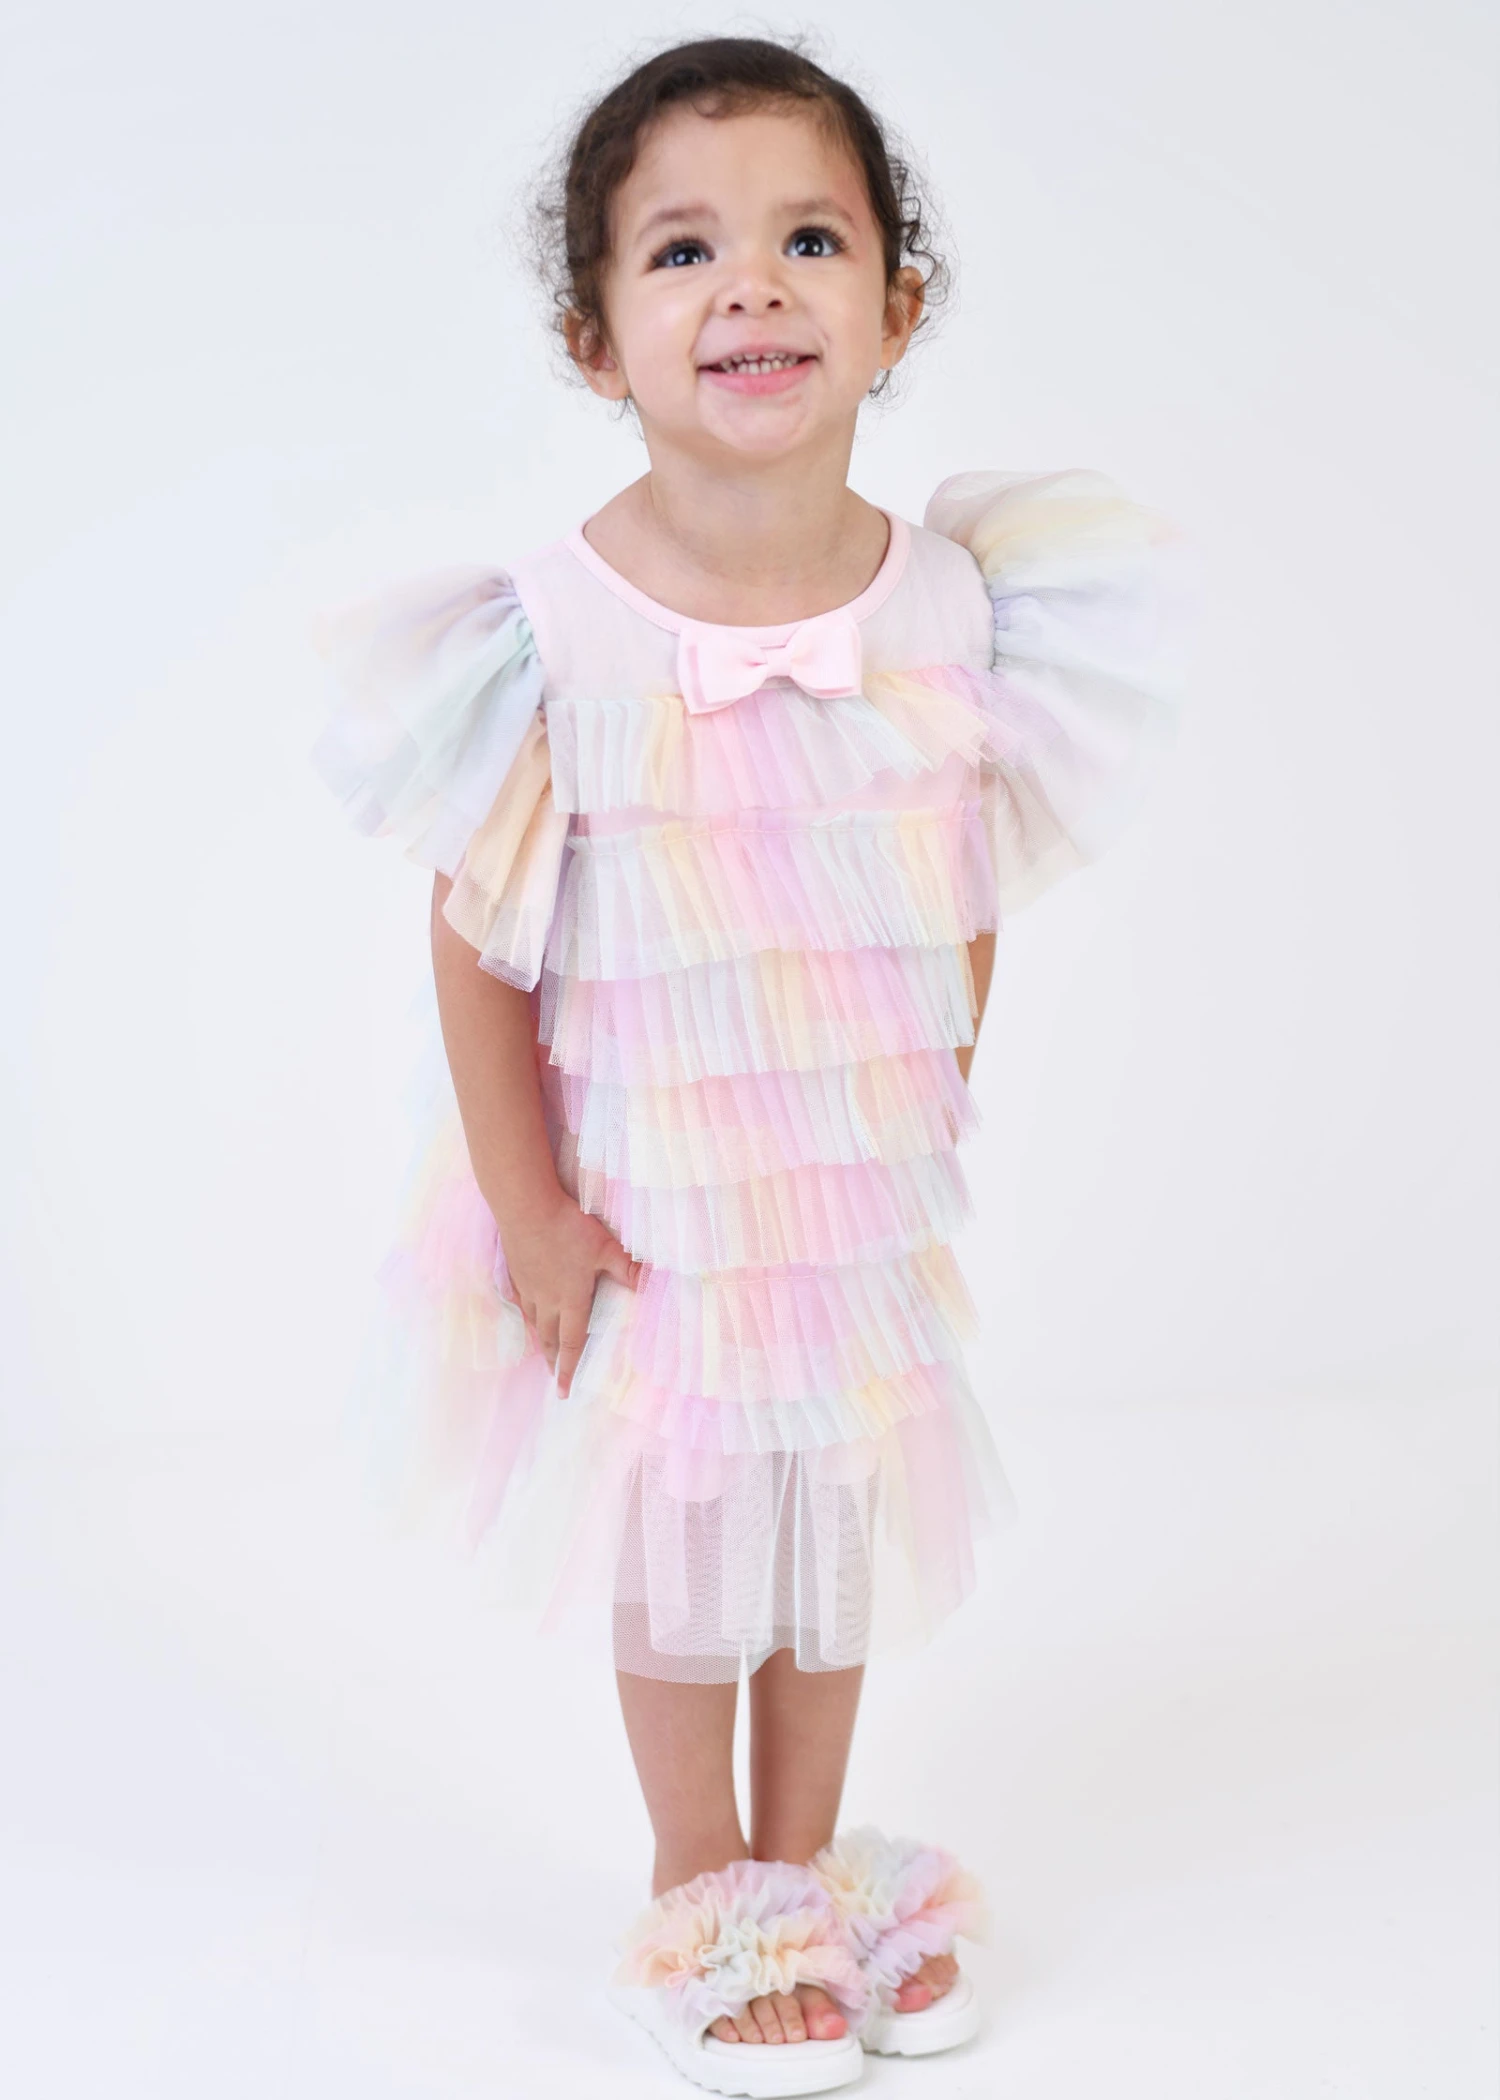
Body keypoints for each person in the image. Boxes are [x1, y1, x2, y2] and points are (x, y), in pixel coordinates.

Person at [312, 34, 1178, 2096]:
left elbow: (955, 869)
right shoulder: (553, 634)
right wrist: (530, 1207)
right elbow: (477, 939)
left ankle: (806, 1861)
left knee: (835, 1522)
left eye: (811, 239)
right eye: (683, 251)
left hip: (848, 1172)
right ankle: (696, 1878)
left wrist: (934, 1073)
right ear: (594, 337)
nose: (753, 287)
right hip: (653, 1184)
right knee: (695, 1534)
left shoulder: (952, 606)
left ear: (897, 305)